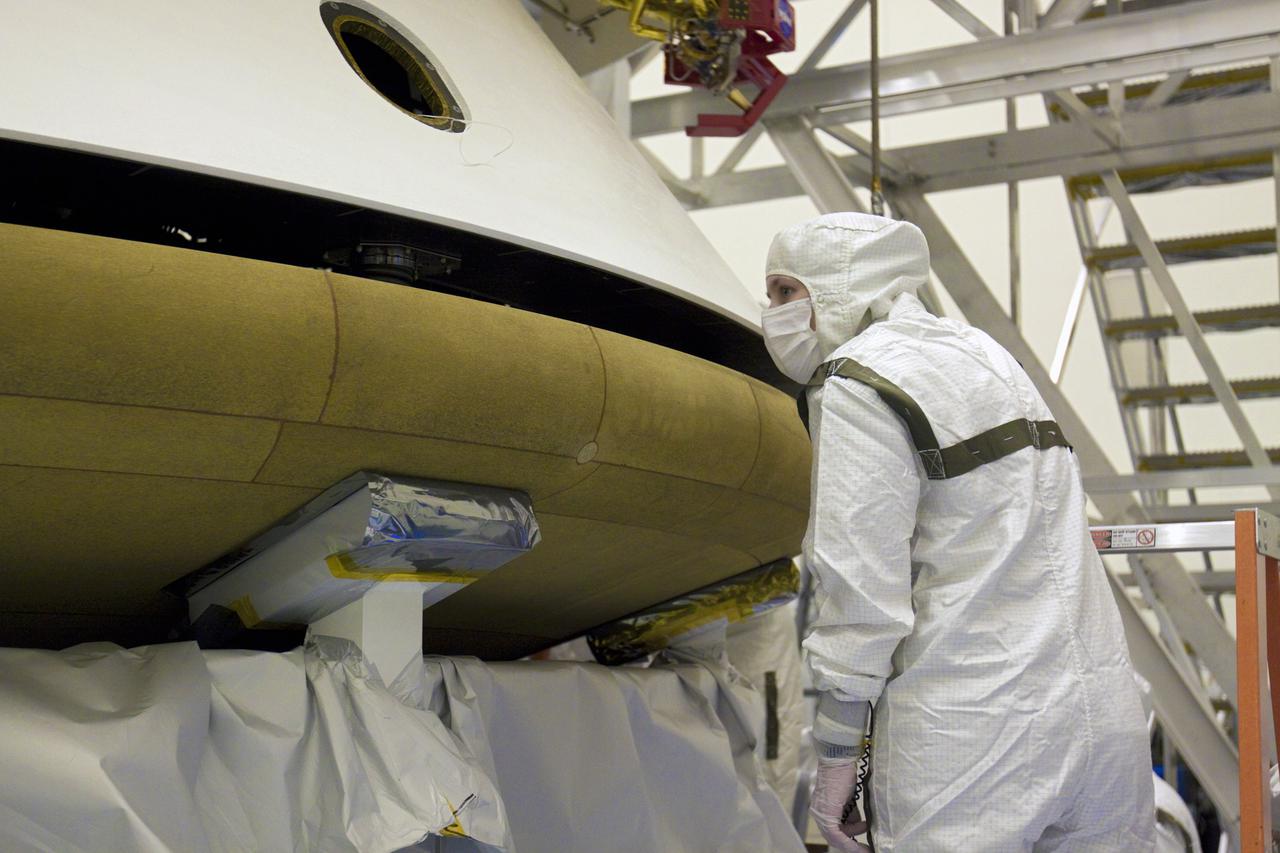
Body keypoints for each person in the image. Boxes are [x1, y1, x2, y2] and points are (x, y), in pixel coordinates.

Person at [760, 212, 1155, 852]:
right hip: (1103, 721)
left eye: (784, 291)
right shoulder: (988, 356)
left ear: (838, 287)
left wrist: (836, 759)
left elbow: (861, 597)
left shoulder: (858, 379)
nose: (771, 312)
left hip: (972, 735)